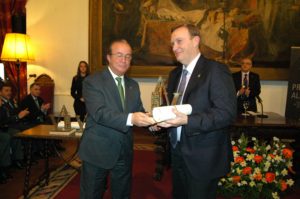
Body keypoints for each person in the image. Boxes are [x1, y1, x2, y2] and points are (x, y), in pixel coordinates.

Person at [150, 24, 237, 199]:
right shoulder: (174, 74)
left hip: (204, 158)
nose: (174, 47)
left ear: (196, 41)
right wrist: (158, 121)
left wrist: (188, 121)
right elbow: (174, 109)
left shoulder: (215, 70)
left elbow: (226, 113)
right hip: (177, 153)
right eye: (172, 43)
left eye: (179, 41)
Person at [78, 39, 155, 199]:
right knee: (91, 194)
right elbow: (99, 113)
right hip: (97, 150)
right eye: (119, 55)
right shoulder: (93, 81)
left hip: (124, 150)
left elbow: (138, 111)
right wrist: (132, 118)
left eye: (128, 56)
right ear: (108, 57)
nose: (124, 60)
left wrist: (153, 123)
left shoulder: (133, 85)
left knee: (122, 194)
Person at [0, 81, 29, 170]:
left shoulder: (11, 101)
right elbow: (3, 120)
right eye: (6, 90)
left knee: (23, 130)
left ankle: (21, 158)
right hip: (6, 126)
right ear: (0, 92)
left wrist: (21, 114)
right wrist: (17, 117)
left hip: (10, 124)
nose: (9, 92)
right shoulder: (1, 103)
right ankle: (6, 165)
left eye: (10, 90)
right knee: (10, 135)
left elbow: (17, 111)